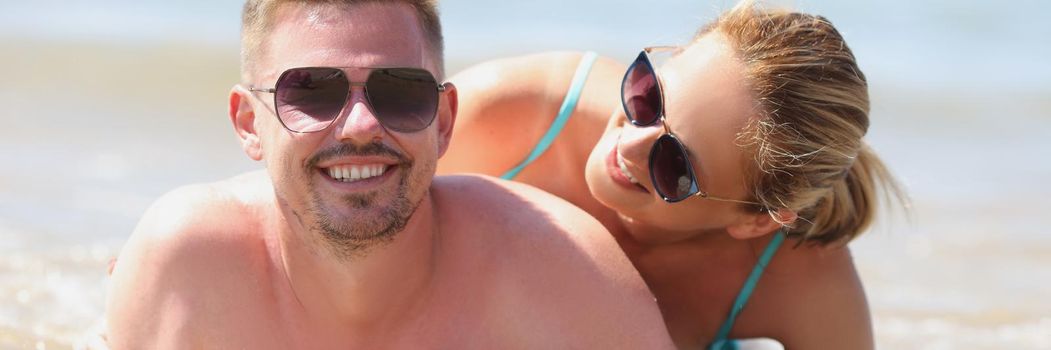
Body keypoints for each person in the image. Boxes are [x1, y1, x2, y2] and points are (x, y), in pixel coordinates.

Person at [103, 0, 676, 348]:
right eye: (312, 90)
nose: (357, 126)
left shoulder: (561, 270)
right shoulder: (185, 267)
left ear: (445, 120)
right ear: (249, 122)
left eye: (399, 91)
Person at [439, 1, 902, 349]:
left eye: (675, 164)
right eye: (648, 97)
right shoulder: (522, 115)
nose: (631, 143)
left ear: (757, 220)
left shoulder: (796, 278)